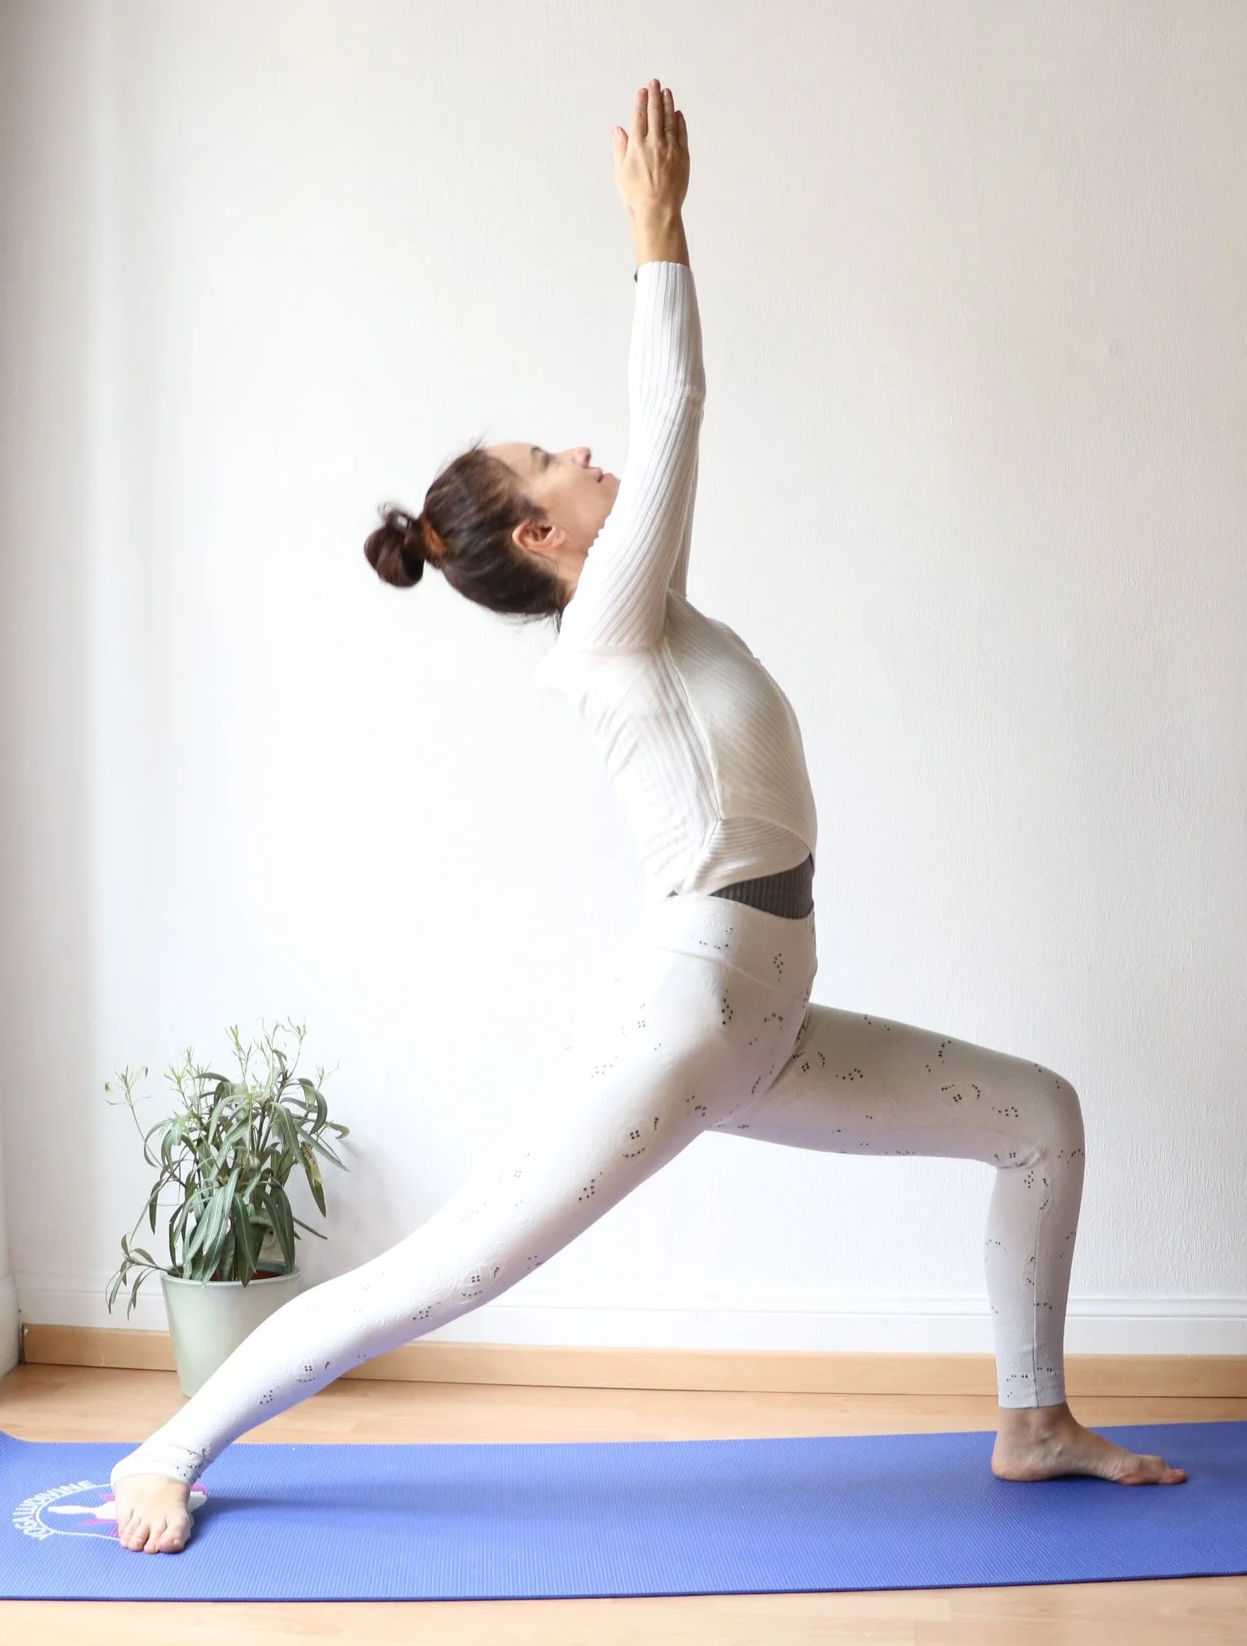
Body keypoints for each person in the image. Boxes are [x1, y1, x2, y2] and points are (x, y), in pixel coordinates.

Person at [111, 77, 1185, 1556]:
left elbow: (655, 452)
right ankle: (161, 1450)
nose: (581, 450)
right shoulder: (605, 628)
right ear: (543, 538)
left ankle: (1033, 1417)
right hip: (684, 1015)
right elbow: (672, 408)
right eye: (554, 461)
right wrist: (658, 232)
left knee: (1039, 1118)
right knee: (452, 1273)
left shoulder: (658, 620)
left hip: (769, 1020)